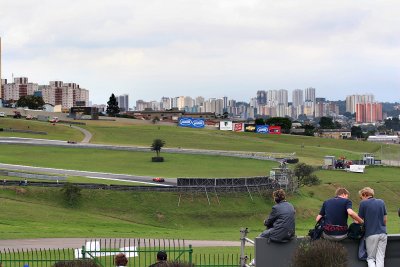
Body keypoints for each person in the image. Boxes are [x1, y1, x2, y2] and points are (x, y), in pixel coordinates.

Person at [358, 187, 387, 267]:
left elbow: (359, 220)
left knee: (370, 258)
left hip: (371, 234)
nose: (361, 199)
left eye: (361, 197)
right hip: (383, 233)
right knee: (380, 257)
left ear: (364, 195)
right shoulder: (381, 202)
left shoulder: (363, 203)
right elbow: (385, 220)